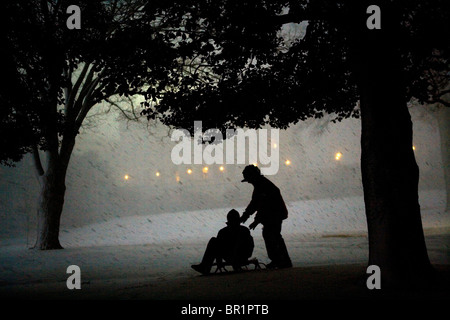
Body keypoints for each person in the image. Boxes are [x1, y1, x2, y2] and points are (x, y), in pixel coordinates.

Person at [240, 165, 292, 269]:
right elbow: (256, 203)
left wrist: (254, 219)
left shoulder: (262, 186)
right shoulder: (261, 184)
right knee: (274, 236)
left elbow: (262, 205)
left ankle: (279, 260)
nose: (249, 182)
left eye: (248, 179)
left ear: (252, 176)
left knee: (271, 235)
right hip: (275, 214)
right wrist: (247, 215)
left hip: (275, 215)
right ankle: (282, 260)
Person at [191, 209, 254, 275]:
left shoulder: (223, 232)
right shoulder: (244, 230)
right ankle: (205, 266)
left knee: (213, 241)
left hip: (232, 256)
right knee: (216, 242)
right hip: (242, 256)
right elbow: (250, 246)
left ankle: (205, 267)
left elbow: (218, 248)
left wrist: (219, 261)